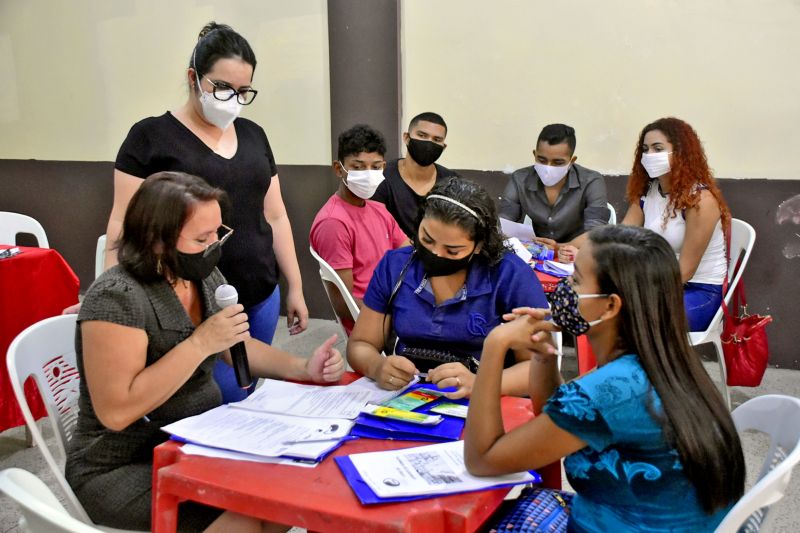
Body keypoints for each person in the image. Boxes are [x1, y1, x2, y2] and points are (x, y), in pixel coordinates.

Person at [65, 172, 345, 532]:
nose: (214, 246)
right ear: (157, 240)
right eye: (202, 238)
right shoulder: (118, 297)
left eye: (218, 233)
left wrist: (304, 367)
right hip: (123, 463)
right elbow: (117, 411)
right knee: (247, 513)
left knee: (287, 494)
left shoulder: (198, 275)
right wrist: (199, 344)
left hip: (197, 440)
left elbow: (234, 345)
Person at [464, 224, 745, 532]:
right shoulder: (660, 361)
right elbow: (554, 423)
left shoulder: (609, 390)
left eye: (575, 280)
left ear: (610, 305)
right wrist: (543, 354)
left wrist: (495, 344)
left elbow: (482, 460)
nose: (563, 289)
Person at [102, 22, 309, 402]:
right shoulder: (150, 137)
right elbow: (122, 222)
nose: (232, 99)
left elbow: (275, 215)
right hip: (189, 304)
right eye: (222, 88)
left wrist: (294, 284)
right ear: (193, 78)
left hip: (259, 294)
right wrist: (114, 299)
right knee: (202, 405)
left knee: (245, 398)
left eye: (243, 91)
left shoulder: (253, 135)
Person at [348, 177, 549, 398]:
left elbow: (538, 368)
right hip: (408, 395)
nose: (436, 254)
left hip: (487, 398)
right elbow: (360, 344)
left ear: (479, 246)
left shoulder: (510, 276)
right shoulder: (396, 267)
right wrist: (377, 367)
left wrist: (480, 384)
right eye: (427, 239)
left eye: (452, 251)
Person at [620, 117, 730, 332]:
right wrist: (566, 246)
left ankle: (655, 366)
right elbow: (617, 236)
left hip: (699, 291)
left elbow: (685, 272)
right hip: (659, 283)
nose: (649, 155)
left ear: (681, 153)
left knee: (637, 318)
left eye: (657, 148)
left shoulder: (701, 200)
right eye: (645, 149)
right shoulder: (647, 193)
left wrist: (638, 289)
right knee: (607, 307)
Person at [309, 124, 409, 333]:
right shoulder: (334, 223)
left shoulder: (378, 209)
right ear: (339, 169)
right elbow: (345, 304)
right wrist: (396, 317)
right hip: (373, 324)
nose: (368, 174)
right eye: (358, 167)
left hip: (395, 301)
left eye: (376, 167)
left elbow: (409, 255)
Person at [499, 123, 609, 262]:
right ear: (534, 155)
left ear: (572, 161)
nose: (548, 168)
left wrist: (561, 248)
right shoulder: (519, 180)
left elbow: (596, 232)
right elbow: (503, 224)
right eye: (542, 160)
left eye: (558, 162)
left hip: (576, 256)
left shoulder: (591, 181)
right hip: (536, 255)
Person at [370, 112, 458, 238]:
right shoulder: (382, 177)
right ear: (406, 137)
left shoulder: (453, 183)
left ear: (443, 147)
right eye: (422, 135)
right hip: (394, 255)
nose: (429, 143)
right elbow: (377, 230)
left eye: (436, 140)